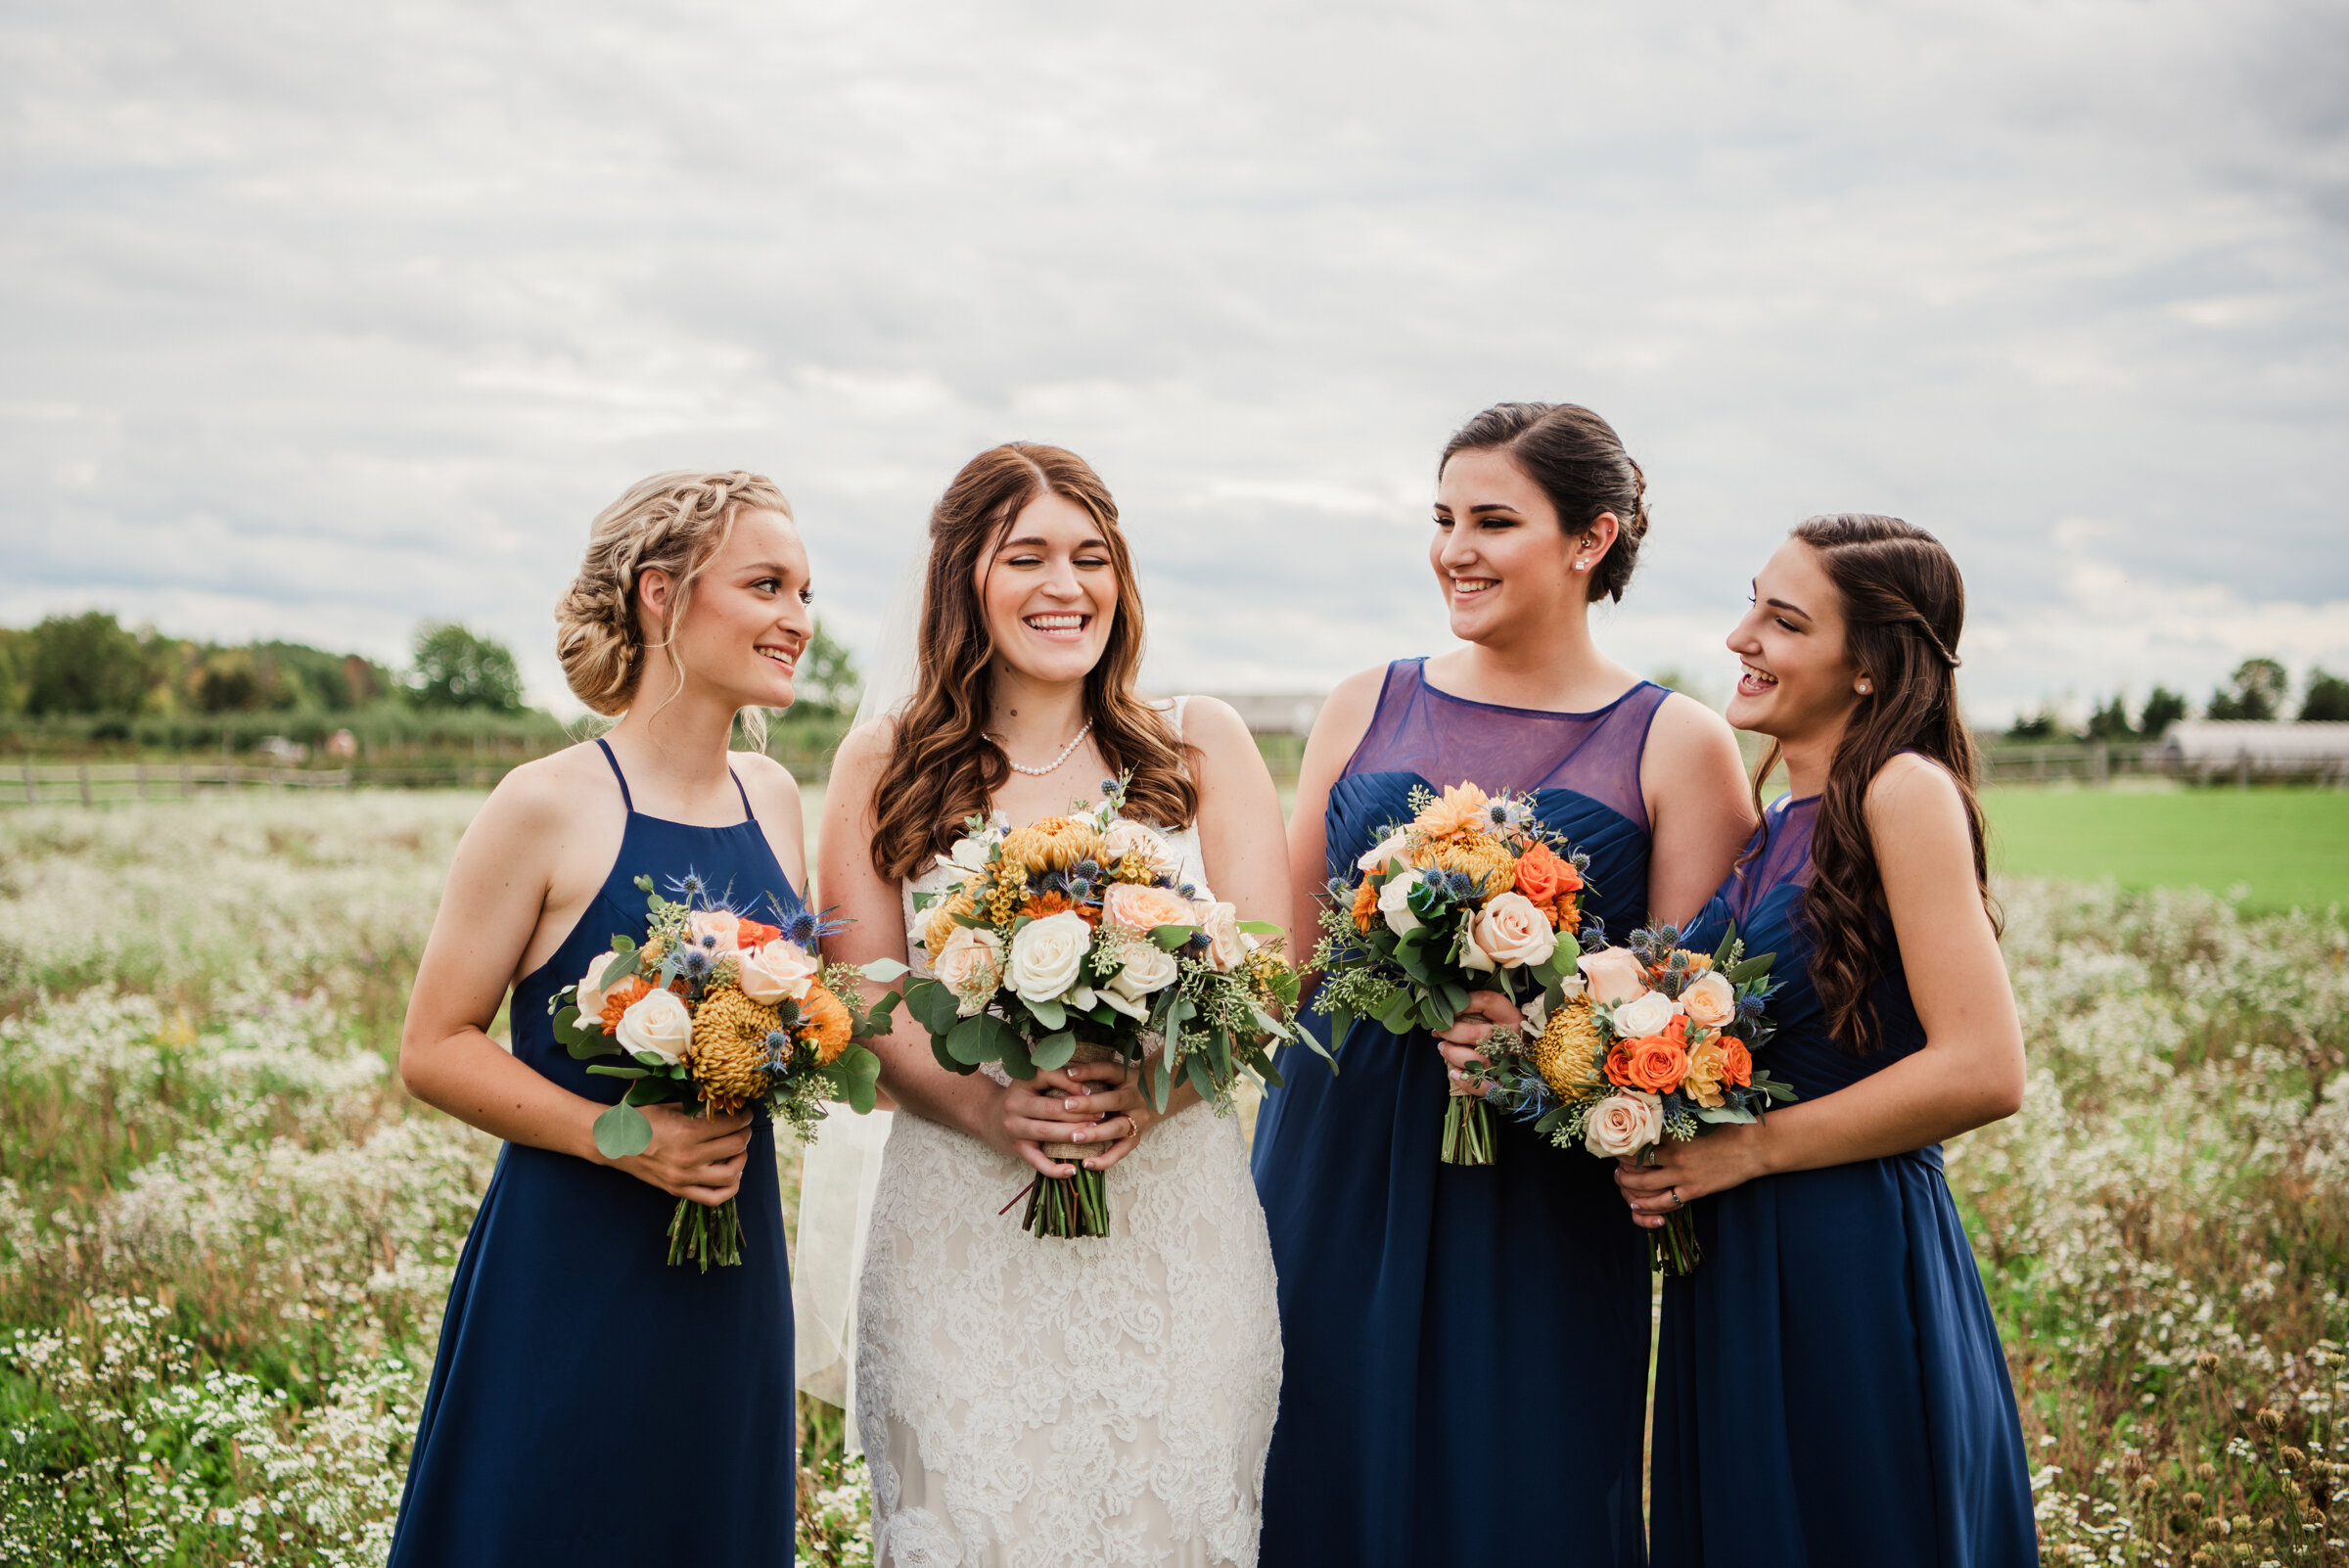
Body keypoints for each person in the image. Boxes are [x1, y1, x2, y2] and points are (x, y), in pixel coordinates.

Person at [1250, 403, 1754, 1568]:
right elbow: (1286, 961)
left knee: (1517, 1479)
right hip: (1336, 1151)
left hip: (1538, 1184)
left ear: (1592, 538)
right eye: (1442, 519)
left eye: (1492, 521)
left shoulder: (1676, 740)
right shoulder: (1363, 701)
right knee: (1312, 1450)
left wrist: (1536, 1043)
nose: (1454, 550)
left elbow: (1691, 1020)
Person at [818, 442, 1288, 1567]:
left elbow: (1271, 975)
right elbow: (857, 998)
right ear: (961, 578)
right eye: (1024, 555)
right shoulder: (883, 760)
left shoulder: (1197, 742)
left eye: (1091, 557)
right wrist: (987, 1112)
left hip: (1173, 1226)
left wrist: (1153, 1096)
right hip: (955, 1229)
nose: (1063, 586)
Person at [389, 472, 812, 1567]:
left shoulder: (774, 797)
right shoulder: (545, 802)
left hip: (730, 1265)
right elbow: (432, 1048)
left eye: (805, 592)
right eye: (766, 585)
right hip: (571, 1260)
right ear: (661, 595)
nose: (798, 621)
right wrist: (631, 1141)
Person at [1619, 514, 2039, 1566]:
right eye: (1752, 603)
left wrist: (1746, 1150)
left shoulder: (1904, 792)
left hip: (1846, 1253)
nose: (1740, 637)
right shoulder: (1777, 827)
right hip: (1738, 1258)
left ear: (1867, 666)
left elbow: (1986, 1068)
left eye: (1783, 620)